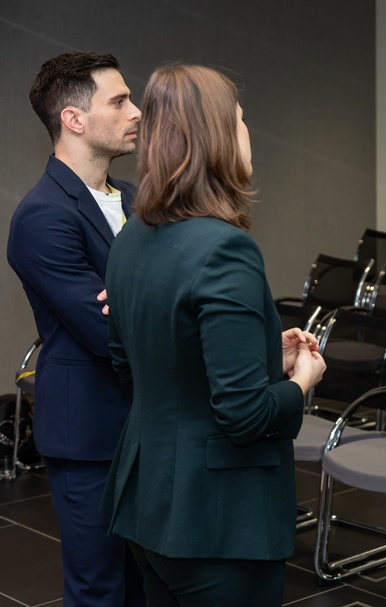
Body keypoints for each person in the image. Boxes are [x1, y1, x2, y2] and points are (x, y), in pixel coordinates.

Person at [100, 64, 326, 606]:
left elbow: (139, 365)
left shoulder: (131, 239)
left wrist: (261, 355)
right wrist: (301, 381)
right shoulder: (226, 248)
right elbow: (244, 415)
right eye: (242, 121)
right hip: (217, 519)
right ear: (218, 138)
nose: (249, 133)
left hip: (148, 505)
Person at [7, 51, 146, 607]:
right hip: (92, 434)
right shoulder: (43, 215)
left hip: (147, 424)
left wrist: (137, 303)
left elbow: (153, 306)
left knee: (146, 584)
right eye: (119, 101)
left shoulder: (137, 200)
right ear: (74, 119)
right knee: (101, 591)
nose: (136, 111)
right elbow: (105, 329)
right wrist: (145, 305)